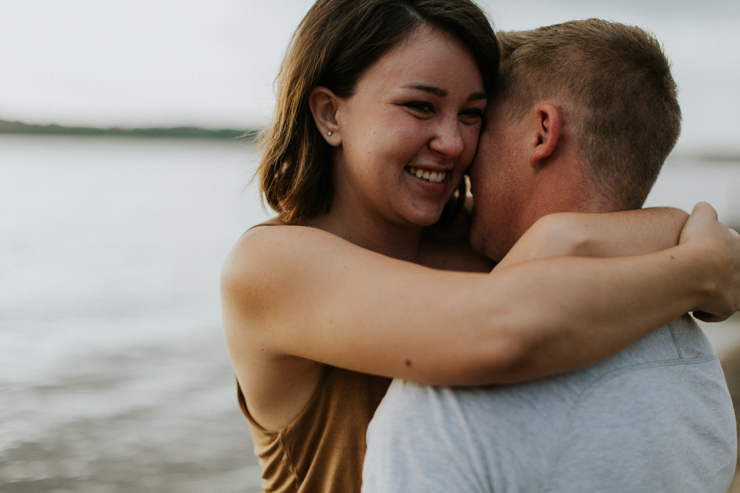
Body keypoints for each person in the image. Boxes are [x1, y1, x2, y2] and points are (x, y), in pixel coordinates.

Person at [221, 1, 740, 492]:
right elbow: (499, 330)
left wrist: (566, 235)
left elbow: (692, 237)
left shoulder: (479, 237)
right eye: (420, 106)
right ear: (330, 114)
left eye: (473, 114)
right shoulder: (270, 268)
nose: (452, 143)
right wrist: (695, 272)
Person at [362, 20, 738, 493]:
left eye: (480, 121)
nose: (461, 152)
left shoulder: (447, 407)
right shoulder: (698, 373)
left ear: (542, 131)